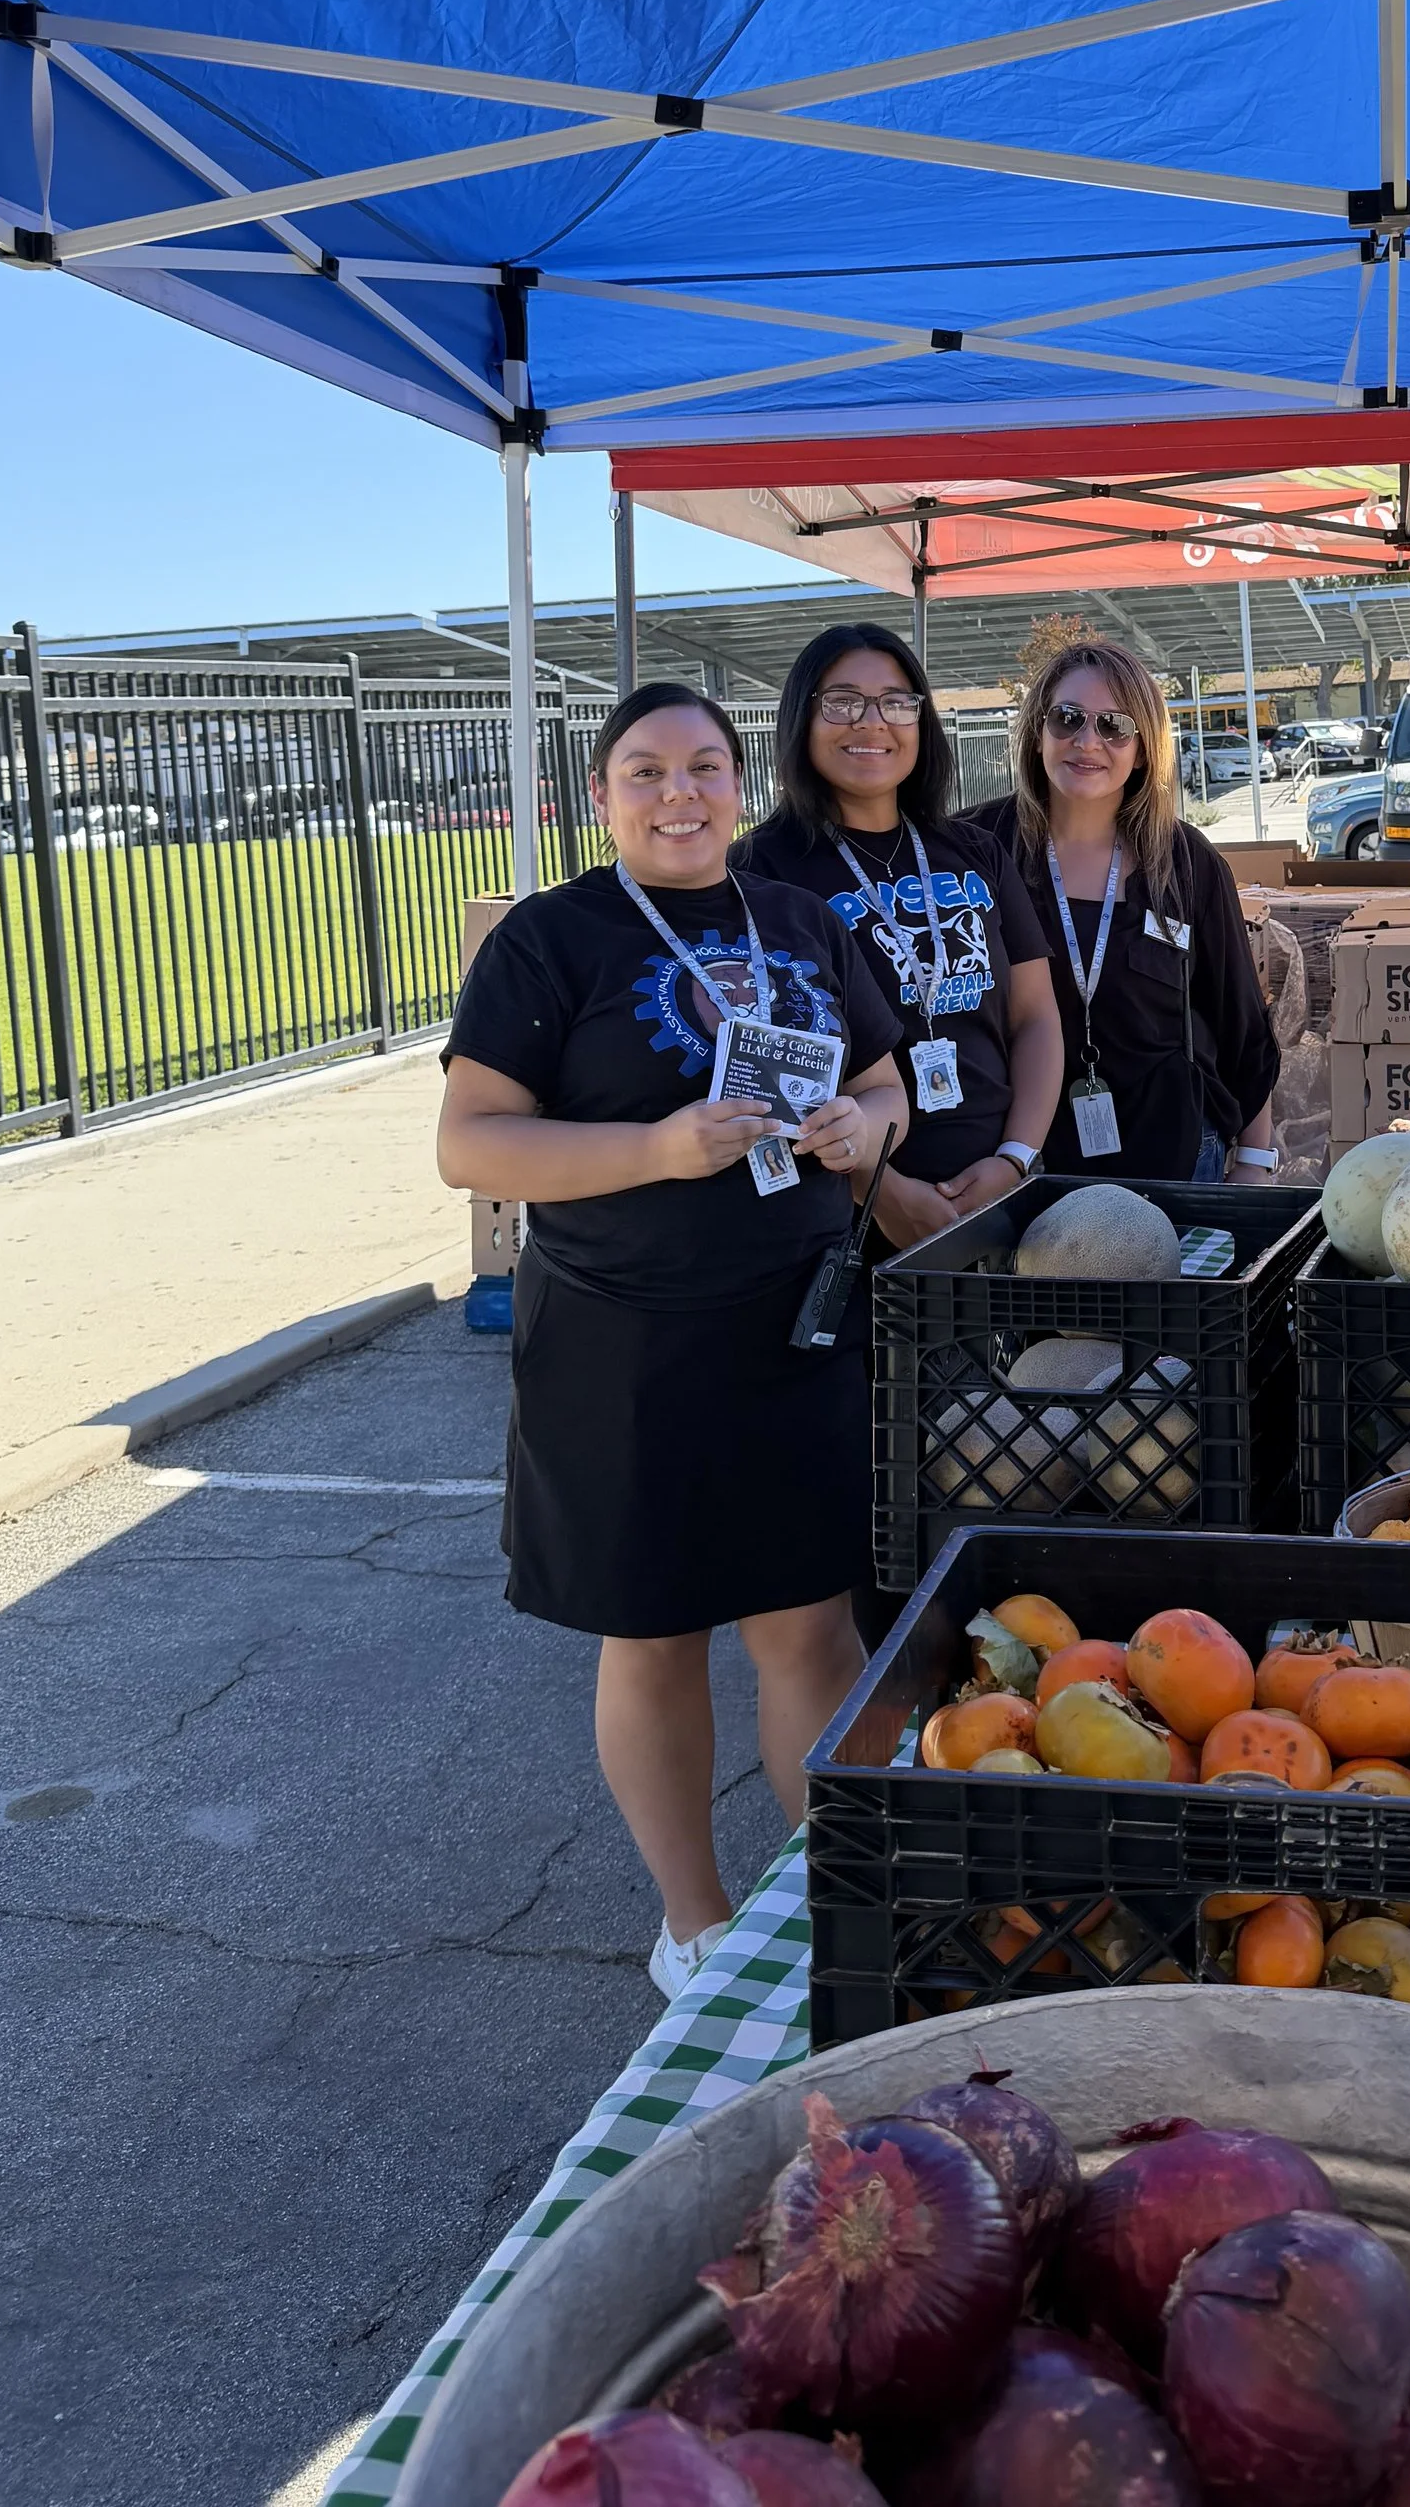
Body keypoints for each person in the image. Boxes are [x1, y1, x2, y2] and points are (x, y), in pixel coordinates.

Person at [436, 682, 908, 2001]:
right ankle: (695, 1922)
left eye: (703, 766)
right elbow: (468, 1141)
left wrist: (867, 1129)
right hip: (620, 1345)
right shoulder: (550, 938)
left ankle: (833, 1895)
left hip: (796, 1324)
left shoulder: (801, 918)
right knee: (650, 1632)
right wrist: (655, 1146)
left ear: (741, 786)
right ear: (599, 797)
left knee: (808, 1632)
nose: (678, 792)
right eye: (644, 771)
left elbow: (886, 1079)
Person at [735, 622, 1066, 1248]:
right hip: (843, 1204)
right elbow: (762, 1069)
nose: (871, 721)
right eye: (842, 701)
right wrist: (879, 1191)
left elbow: (1036, 1019)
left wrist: (1015, 1159)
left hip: (998, 1187)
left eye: (895, 701)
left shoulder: (975, 851)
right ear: (800, 718)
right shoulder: (758, 869)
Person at [970, 636, 1282, 1183]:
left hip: (1177, 1159)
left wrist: (1255, 1159)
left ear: (1142, 748)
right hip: (1014, 1167)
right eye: (1067, 718)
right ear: (1037, 731)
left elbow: (1240, 1020)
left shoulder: (1186, 860)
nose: (1088, 741)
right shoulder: (976, 849)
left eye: (1114, 726)